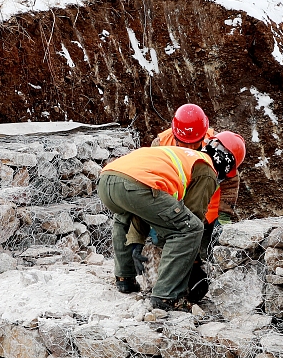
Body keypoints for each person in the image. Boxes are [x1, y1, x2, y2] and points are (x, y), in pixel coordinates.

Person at [98, 132, 244, 310]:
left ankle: (124, 278)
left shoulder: (182, 155)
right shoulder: (206, 169)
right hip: (135, 186)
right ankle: (166, 296)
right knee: (191, 228)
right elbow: (192, 217)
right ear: (227, 163)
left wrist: (136, 242)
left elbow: (143, 206)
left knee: (123, 218)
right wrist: (192, 265)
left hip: (107, 180)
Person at [151, 103, 241, 225]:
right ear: (175, 135)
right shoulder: (160, 144)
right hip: (171, 211)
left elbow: (231, 182)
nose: (191, 148)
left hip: (209, 212)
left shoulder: (217, 144)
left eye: (196, 143)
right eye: (184, 143)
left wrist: (224, 215)